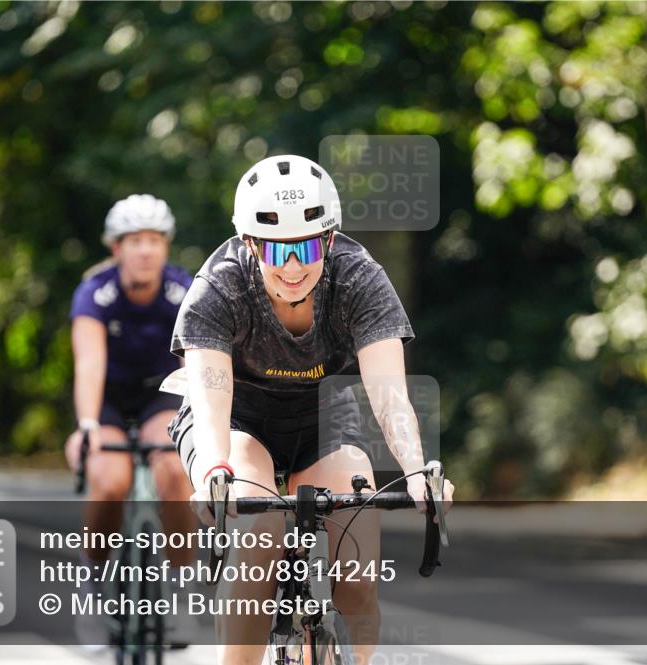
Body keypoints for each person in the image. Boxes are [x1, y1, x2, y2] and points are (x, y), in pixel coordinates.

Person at [167, 155, 455, 664]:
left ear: (328, 240)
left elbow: (389, 394)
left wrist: (416, 471)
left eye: (307, 246)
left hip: (321, 414)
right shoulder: (218, 286)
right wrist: (214, 472)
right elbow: (212, 397)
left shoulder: (358, 277)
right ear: (252, 244)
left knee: (359, 554)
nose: (294, 266)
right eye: (278, 249)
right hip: (235, 420)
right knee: (260, 533)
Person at [65, 194, 198, 645]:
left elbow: (193, 367)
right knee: (110, 480)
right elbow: (89, 365)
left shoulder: (183, 292)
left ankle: (179, 594)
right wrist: (87, 427)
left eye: (155, 240)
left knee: (176, 469)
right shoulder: (95, 293)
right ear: (116, 247)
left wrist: (199, 424)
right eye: (135, 240)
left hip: (162, 396)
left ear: (166, 246)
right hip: (108, 399)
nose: (145, 249)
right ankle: (93, 591)